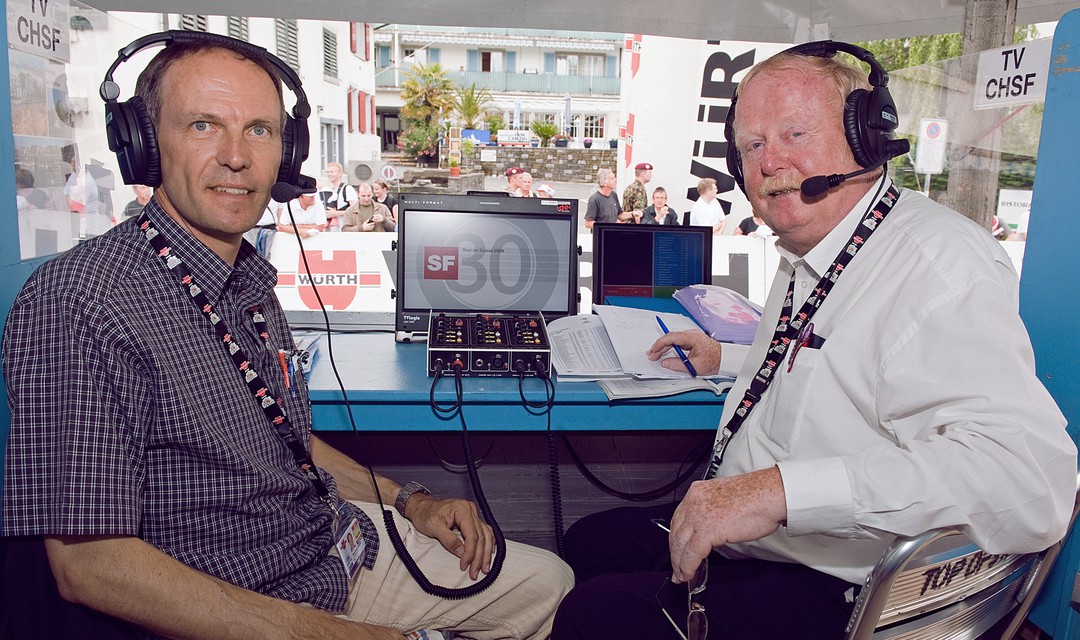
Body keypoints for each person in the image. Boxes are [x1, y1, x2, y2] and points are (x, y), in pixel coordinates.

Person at [2, 33, 571, 640]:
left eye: (260, 130)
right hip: (254, 605)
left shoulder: (246, 282)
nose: (236, 157)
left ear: (288, 151)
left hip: (336, 551)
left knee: (552, 586)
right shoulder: (79, 301)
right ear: (142, 147)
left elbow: (284, 441)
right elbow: (91, 566)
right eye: (202, 126)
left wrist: (414, 502)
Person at [553, 42, 1076, 640]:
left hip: (843, 584)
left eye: (795, 134)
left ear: (865, 137)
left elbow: (1029, 480)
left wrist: (779, 492)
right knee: (590, 541)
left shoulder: (938, 266)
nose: (769, 162)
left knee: (595, 615)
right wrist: (728, 358)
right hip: (774, 544)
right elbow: (839, 359)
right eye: (751, 145)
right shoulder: (815, 249)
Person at [320, 161, 357, 231]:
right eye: (327, 172)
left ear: (339, 173)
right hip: (331, 230)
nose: (329, 174)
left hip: (344, 229)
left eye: (332, 172)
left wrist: (336, 213)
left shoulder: (347, 189)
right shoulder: (329, 190)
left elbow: (356, 211)